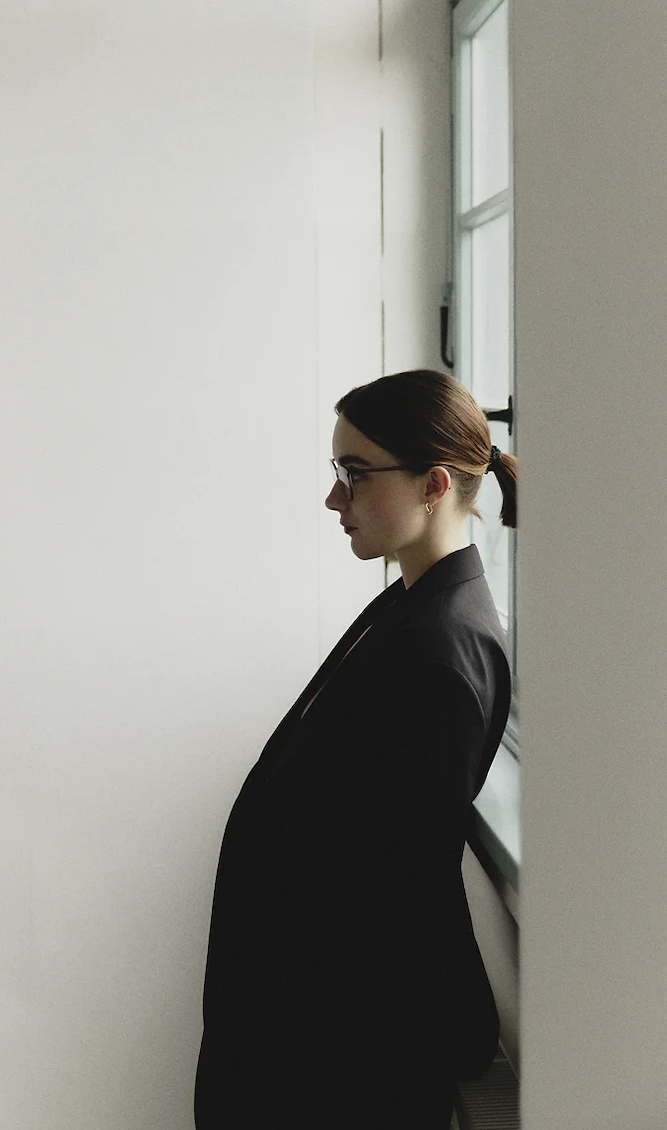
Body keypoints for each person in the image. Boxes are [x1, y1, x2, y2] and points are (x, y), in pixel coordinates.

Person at [195, 369, 516, 1130]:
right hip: (312, 1040)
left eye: (355, 474)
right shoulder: (416, 607)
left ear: (434, 484)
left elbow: (405, 891)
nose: (334, 500)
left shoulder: (439, 651)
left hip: (337, 1065)